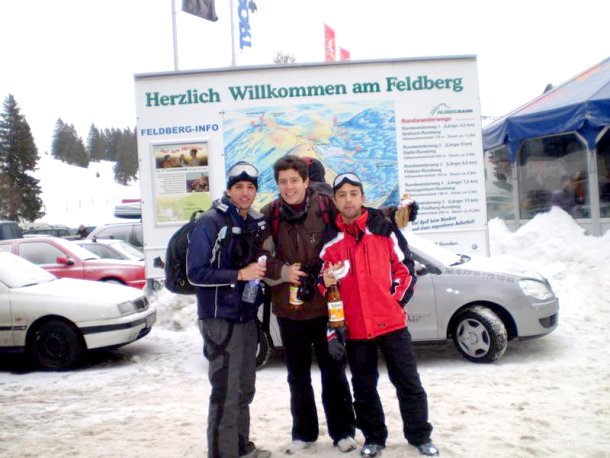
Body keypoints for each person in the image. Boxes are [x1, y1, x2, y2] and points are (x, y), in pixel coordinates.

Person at [319, 172, 439, 457]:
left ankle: (420, 436)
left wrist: (395, 301)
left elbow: (405, 269)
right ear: (335, 201)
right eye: (342, 195)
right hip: (358, 329)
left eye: (353, 194)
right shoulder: (330, 241)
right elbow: (324, 285)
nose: (348, 200)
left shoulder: (383, 229)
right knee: (363, 388)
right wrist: (326, 283)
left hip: (392, 324)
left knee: (408, 382)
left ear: (362, 197)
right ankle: (374, 437)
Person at [260, 155, 357, 454]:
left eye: (294, 180)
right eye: (283, 182)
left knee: (334, 371)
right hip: (290, 310)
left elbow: (351, 233)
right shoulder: (270, 214)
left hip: (328, 306)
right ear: (278, 185)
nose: (289, 187)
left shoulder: (327, 206)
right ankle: (304, 433)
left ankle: (343, 432)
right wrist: (284, 271)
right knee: (297, 375)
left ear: (306, 181)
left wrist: (336, 268)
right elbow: (260, 258)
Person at [187, 161, 271, 458]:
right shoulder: (210, 222)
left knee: (244, 388)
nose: (245, 193)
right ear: (228, 190)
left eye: (250, 188)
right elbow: (195, 272)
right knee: (225, 391)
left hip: (246, 316)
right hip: (219, 318)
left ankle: (240, 447)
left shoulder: (252, 221)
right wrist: (239, 275)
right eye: (239, 187)